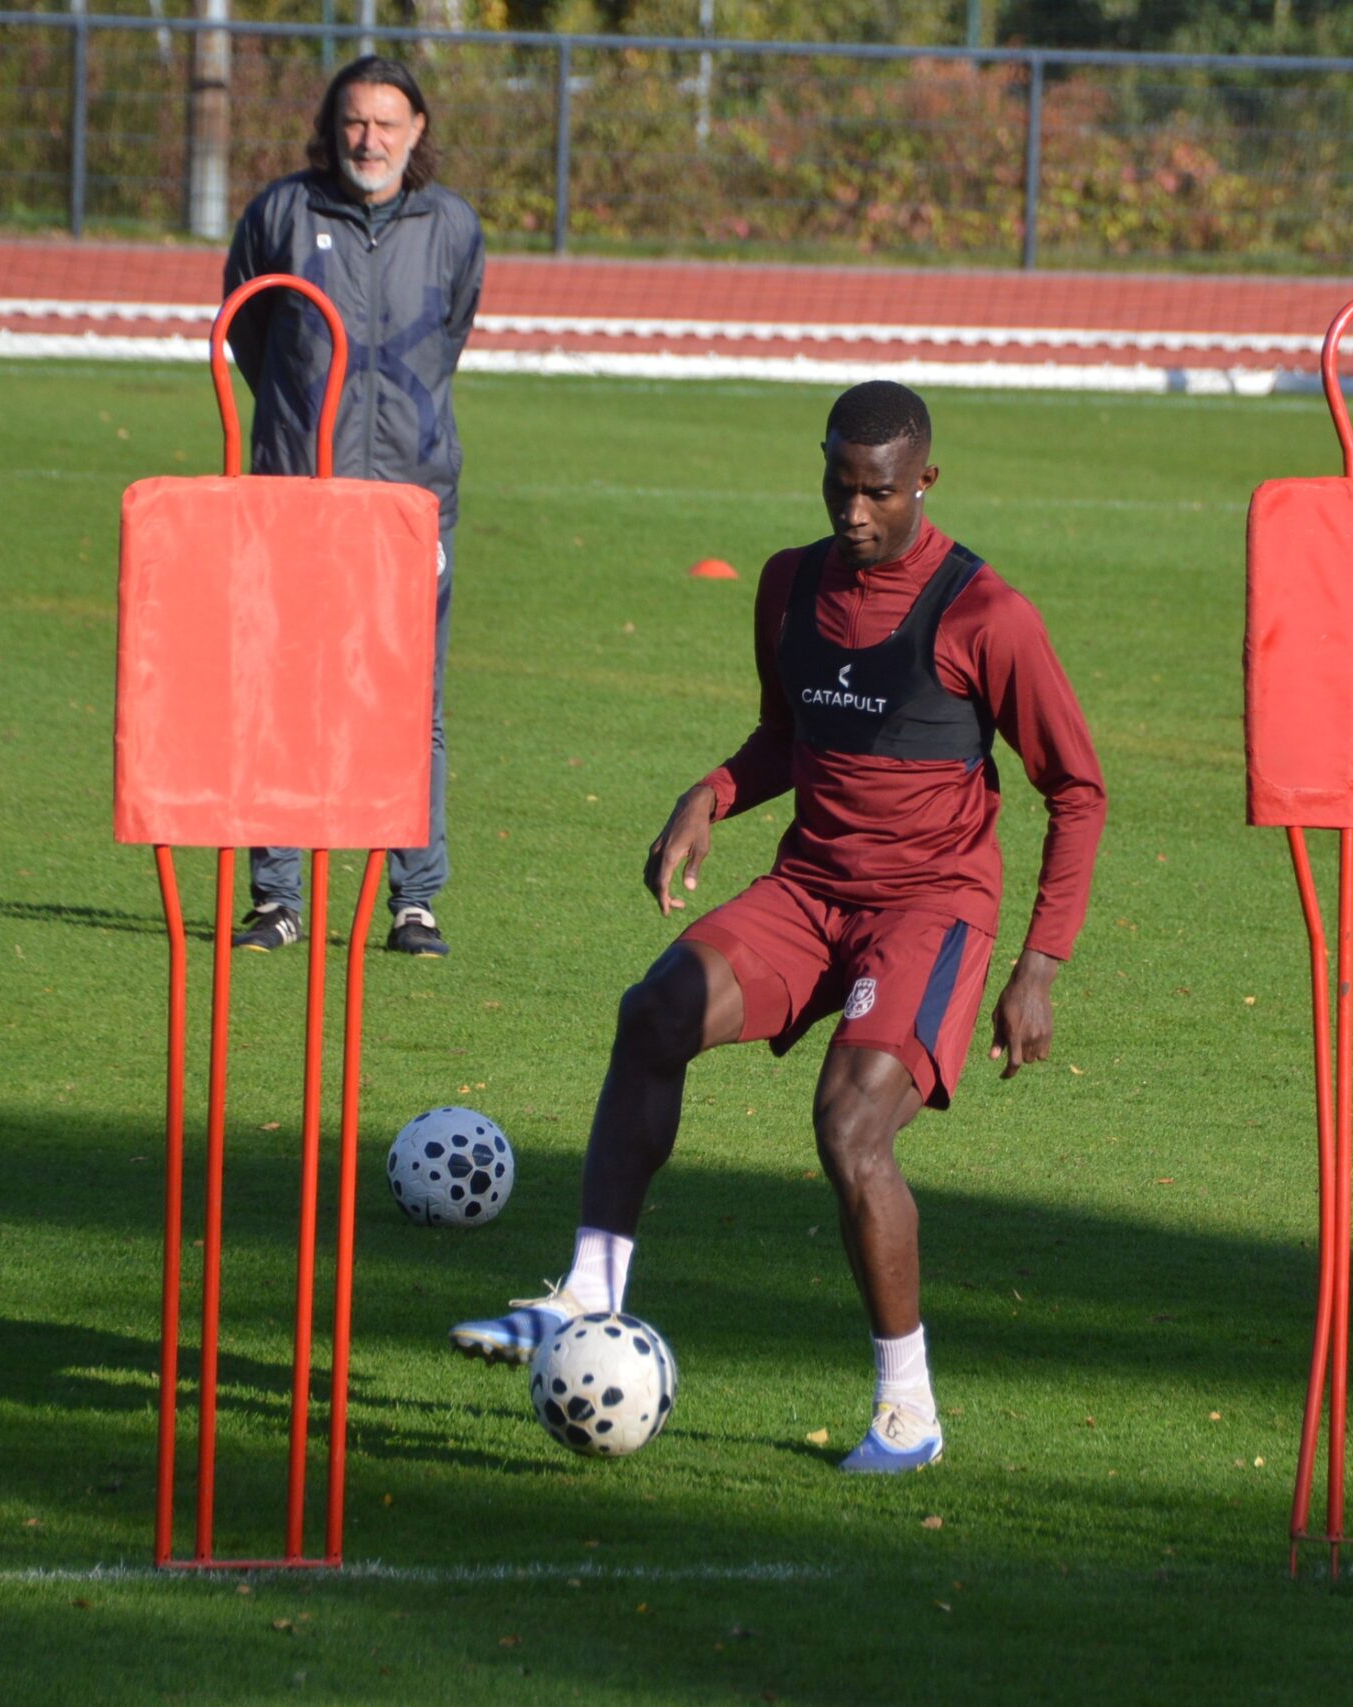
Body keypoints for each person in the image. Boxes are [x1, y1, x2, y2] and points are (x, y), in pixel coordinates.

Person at [449, 382, 1107, 1473]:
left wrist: (1039, 965)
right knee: (654, 1013)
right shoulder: (789, 584)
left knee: (850, 1128)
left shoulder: (988, 615)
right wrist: (711, 793)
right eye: (839, 487)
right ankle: (586, 1295)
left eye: (878, 493)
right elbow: (785, 736)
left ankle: (908, 1411)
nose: (854, 512)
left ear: (925, 483)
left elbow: (1076, 789)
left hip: (929, 905)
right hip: (809, 889)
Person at [221, 54, 484, 958]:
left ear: (417, 131)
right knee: (281, 693)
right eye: (355, 122)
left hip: (410, 504)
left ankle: (414, 901)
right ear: (332, 127)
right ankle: (277, 898)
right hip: (296, 497)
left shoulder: (452, 225)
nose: (369, 140)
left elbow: (450, 334)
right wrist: (304, 431)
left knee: (412, 705)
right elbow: (252, 335)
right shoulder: (281, 214)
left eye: (386, 123)